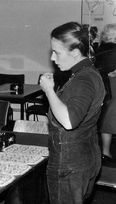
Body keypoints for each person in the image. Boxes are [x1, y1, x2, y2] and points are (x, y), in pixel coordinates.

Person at [39, 22, 105, 204]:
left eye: (57, 52)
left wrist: (49, 91)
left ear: (75, 52)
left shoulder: (83, 80)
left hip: (70, 164)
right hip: (84, 157)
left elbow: (69, 121)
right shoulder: (88, 73)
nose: (52, 57)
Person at [95, 23, 116, 166]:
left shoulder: (98, 50)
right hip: (113, 87)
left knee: (107, 121)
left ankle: (105, 152)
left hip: (103, 90)